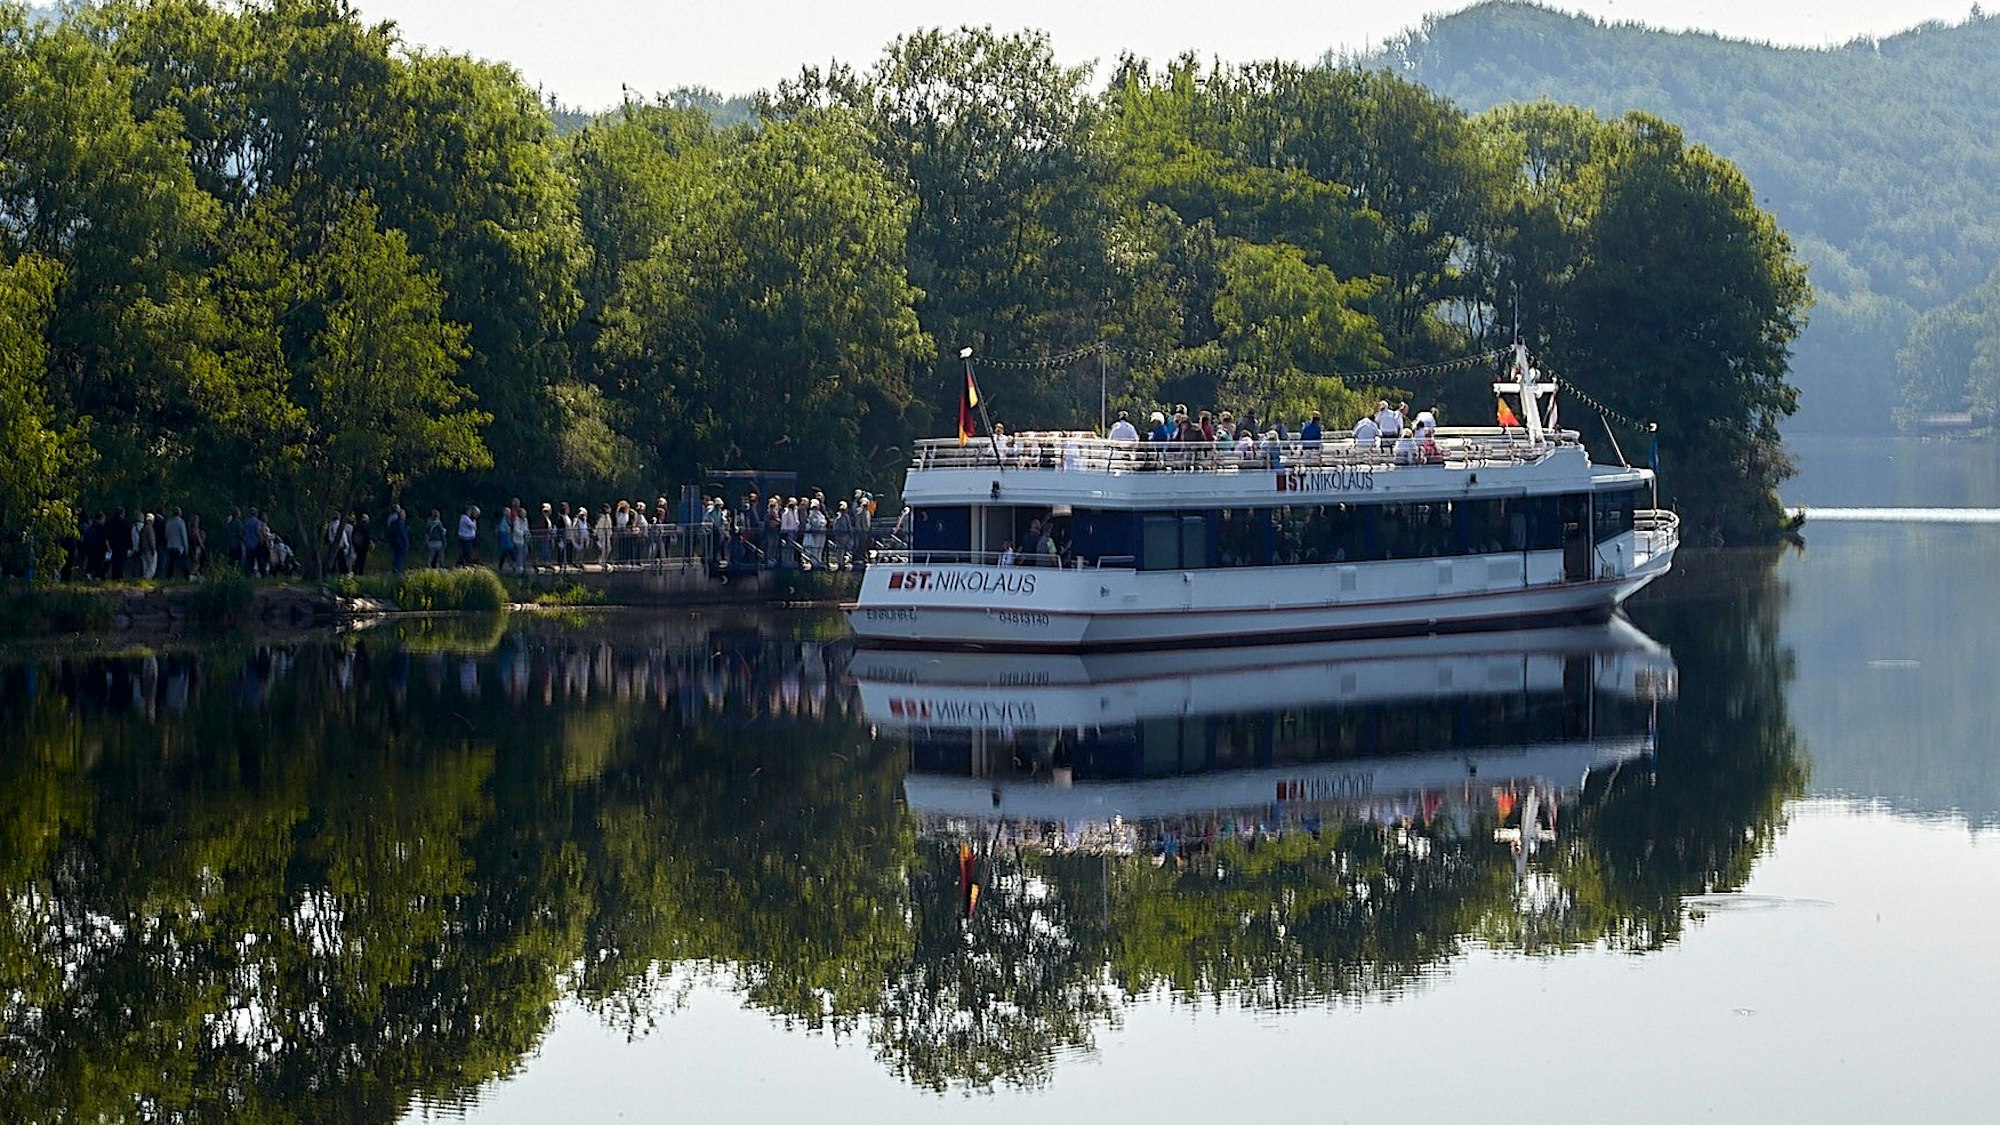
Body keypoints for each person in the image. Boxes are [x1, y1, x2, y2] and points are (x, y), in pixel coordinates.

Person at [162, 507, 188, 580]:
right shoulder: (181, 522)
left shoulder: (169, 521)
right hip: (179, 546)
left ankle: (169, 577)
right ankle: (187, 577)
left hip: (170, 545)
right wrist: (186, 546)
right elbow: (183, 535)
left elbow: (166, 534)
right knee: (182, 563)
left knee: (171, 563)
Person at [385, 505, 410, 574]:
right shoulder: (401, 523)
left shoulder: (393, 522)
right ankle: (397, 569)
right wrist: (406, 543)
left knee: (396, 556)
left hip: (394, 542)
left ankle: (395, 568)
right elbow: (403, 534)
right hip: (401, 543)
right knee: (400, 556)